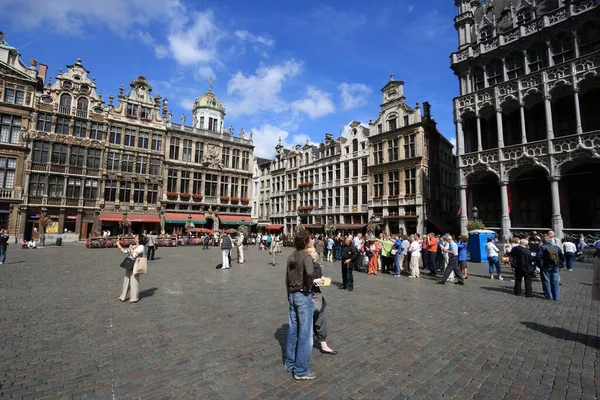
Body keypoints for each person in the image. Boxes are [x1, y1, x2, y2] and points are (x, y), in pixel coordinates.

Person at [284, 230, 316, 381]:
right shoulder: (306, 256)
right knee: (305, 333)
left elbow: (286, 278)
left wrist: (289, 294)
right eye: (310, 240)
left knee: (292, 331)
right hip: (303, 296)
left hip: (292, 294)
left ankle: (289, 363)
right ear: (306, 242)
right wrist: (308, 287)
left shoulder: (291, 256)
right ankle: (301, 369)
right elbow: (309, 273)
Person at [306, 245, 337, 355]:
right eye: (313, 252)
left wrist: (323, 280)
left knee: (321, 318)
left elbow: (320, 277)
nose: (316, 254)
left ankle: (323, 344)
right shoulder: (304, 266)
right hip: (308, 295)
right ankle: (305, 343)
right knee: (307, 320)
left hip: (317, 295)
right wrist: (313, 282)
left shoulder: (317, 266)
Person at [116, 235, 147, 303]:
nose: (135, 237)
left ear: (139, 239)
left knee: (134, 282)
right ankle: (122, 296)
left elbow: (134, 255)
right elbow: (124, 251)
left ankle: (134, 298)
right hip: (129, 264)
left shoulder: (141, 247)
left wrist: (131, 249)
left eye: (136, 237)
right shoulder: (134, 246)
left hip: (135, 265)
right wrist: (118, 244)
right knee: (126, 280)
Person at [537, 234, 565, 301]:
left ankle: (549, 296)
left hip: (545, 266)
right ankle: (556, 297)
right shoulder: (556, 247)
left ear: (543, 240)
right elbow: (562, 257)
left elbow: (538, 257)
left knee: (546, 281)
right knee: (555, 281)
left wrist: (540, 266)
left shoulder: (541, 247)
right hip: (555, 266)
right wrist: (560, 264)